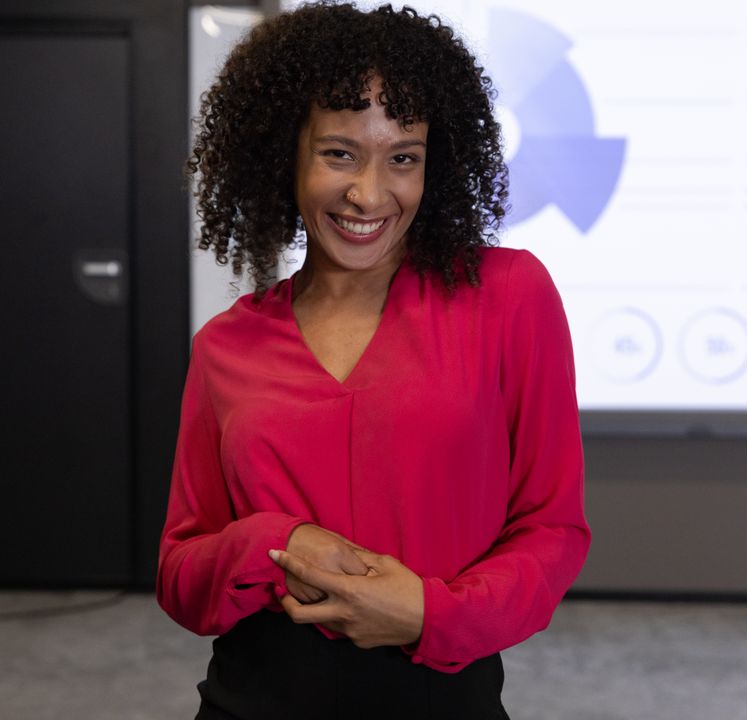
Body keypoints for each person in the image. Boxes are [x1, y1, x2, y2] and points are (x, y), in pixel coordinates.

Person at [157, 3, 591, 718]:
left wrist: (432, 613)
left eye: (403, 158)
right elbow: (180, 576)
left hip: (444, 701)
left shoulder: (510, 296)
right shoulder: (226, 347)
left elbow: (552, 529)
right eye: (338, 153)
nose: (368, 193)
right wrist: (278, 544)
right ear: (285, 156)